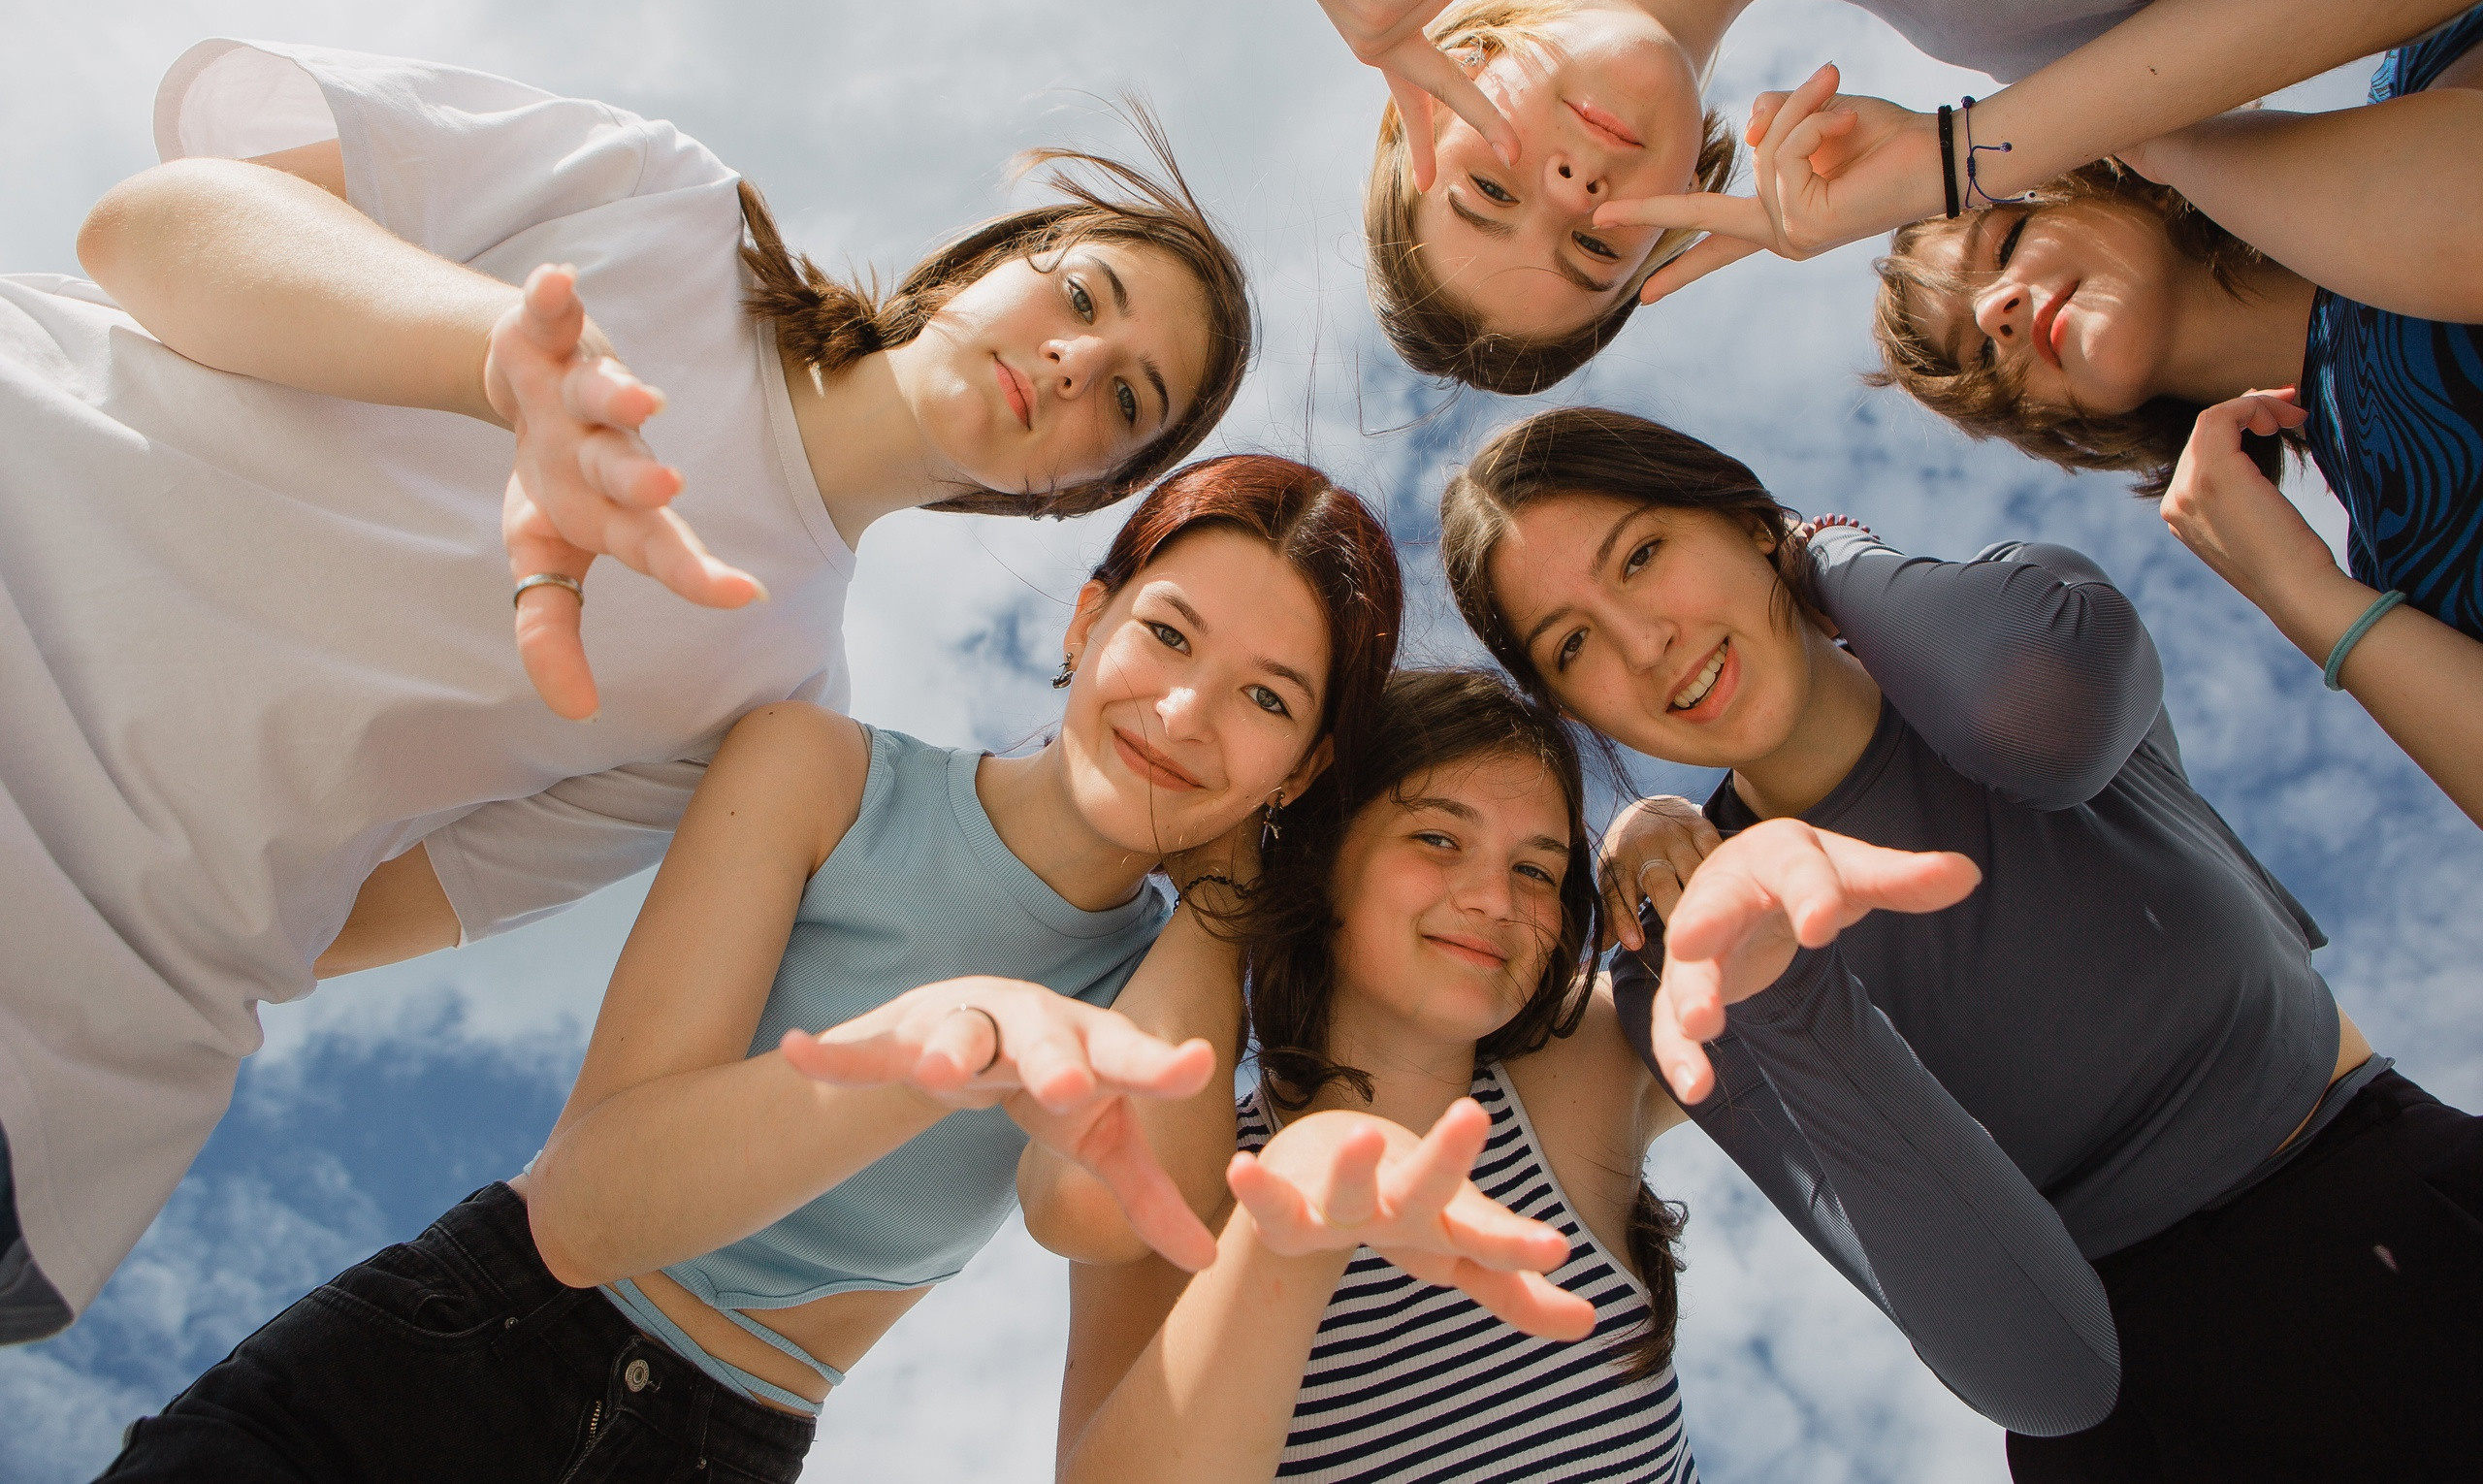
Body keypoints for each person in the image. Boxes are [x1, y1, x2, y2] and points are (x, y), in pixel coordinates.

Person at [0, 39, 1256, 1342]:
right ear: (986, 260)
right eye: (1080, 295)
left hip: (71, 1050)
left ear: (1081, 492)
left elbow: (370, 911)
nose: (1072, 361)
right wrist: (493, 355)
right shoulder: (669, 207)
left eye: (1124, 395)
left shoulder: (775, 701)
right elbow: (151, 226)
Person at [95, 452, 1403, 1481]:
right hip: (449, 1354)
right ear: (1090, 613)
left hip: (728, 1444)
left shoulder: (1160, 990)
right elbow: (590, 1208)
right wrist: (956, 1032)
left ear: (1305, 767)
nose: (1185, 713)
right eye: (1168, 634)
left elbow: (1099, 1211)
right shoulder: (820, 775)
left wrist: (1238, 885)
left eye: (1269, 698)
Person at [1438, 405, 2483, 1480]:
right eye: (1570, 646)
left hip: (2408, 1196)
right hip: (2156, 1426)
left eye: (1643, 556)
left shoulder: (2005, 624)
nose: (1642, 643)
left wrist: (1828, 552)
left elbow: (2036, 720)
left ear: (1751, 522)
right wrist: (1777, 984)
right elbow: (2036, 1369)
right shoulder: (1686, 962)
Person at [1033, 669, 2121, 1484]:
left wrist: (1656, 838)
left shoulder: (1576, 1072)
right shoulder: (1191, 1172)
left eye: (1536, 868)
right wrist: (1288, 1235)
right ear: (1324, 859)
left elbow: (1712, 949)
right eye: (1437, 839)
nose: (1495, 900)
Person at [1217, 0, 2483, 391]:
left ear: (1420, 92)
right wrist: (1967, 155)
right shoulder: (2028, 46)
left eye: (1487, 188)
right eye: (1598, 249)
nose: (1568, 195)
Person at [1870, 4, 2483, 826]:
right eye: (1981, 362)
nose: (1994, 314)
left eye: (2007, 244)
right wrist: (2307, 598)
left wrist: (2163, 133)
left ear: (2089, 175)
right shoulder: (2407, 553)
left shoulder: (2427, 67)